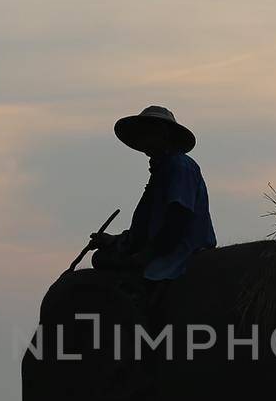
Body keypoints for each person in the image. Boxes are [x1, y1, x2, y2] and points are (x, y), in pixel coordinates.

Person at [92, 105, 217, 281]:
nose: (142, 138)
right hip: (161, 247)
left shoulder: (180, 167)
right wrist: (114, 241)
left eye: (147, 132)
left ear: (163, 134)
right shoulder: (161, 172)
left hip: (181, 249)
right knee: (101, 258)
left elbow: (177, 219)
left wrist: (147, 254)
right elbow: (146, 229)